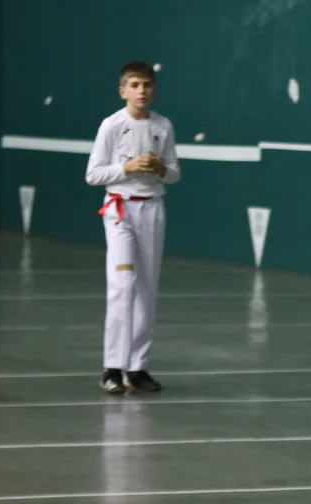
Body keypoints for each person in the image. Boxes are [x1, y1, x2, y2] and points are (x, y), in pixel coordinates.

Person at [86, 61, 180, 394]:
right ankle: (112, 367)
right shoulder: (111, 125)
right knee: (122, 286)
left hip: (153, 210)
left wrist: (159, 168)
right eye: (135, 85)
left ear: (154, 90)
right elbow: (93, 174)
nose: (142, 91)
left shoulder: (163, 126)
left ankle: (138, 368)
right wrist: (126, 167)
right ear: (122, 91)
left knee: (147, 289)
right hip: (120, 212)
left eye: (147, 85)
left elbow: (174, 174)